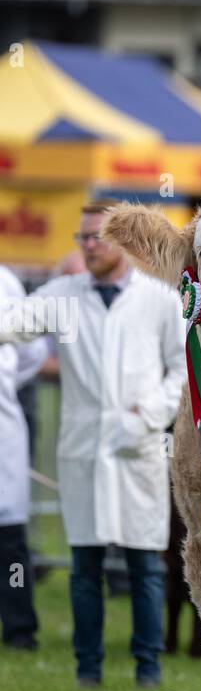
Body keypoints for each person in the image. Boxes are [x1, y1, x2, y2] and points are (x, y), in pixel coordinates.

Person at [0, 200, 186, 687]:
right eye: (82, 238)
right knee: (84, 566)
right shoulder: (65, 296)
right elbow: (10, 324)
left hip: (138, 445)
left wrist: (148, 416)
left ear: (122, 241)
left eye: (96, 237)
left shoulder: (159, 299)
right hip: (83, 449)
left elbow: (182, 369)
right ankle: (89, 670)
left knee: (145, 563)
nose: (87, 246)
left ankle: (147, 669)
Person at [0, 266, 48, 651]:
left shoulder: (6, 281)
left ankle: (19, 627)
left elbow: (32, 351)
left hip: (3, 428)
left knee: (10, 536)